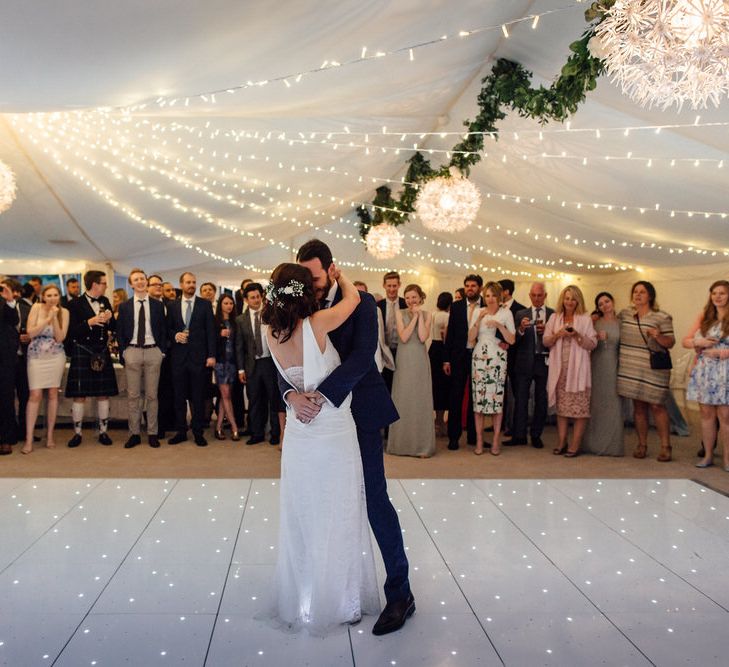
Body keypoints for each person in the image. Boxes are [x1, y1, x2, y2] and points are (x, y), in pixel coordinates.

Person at [282, 239, 413, 636]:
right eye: (307, 280)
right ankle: (334, 592)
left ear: (332, 269)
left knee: (373, 500)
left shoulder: (364, 302)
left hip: (357, 415)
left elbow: (361, 356)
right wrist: (290, 394)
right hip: (318, 426)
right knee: (324, 505)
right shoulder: (299, 303)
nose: (313, 287)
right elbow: (284, 356)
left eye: (317, 279)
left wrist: (322, 396)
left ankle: (400, 594)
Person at [263, 261, 379, 634]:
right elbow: (356, 299)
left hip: (298, 433)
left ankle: (306, 597)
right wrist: (340, 275)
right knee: (339, 511)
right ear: (306, 291)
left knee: (303, 515)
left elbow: (282, 377)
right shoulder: (318, 323)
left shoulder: (268, 331)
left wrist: (292, 396)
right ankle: (343, 603)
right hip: (331, 430)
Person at [617, 280, 675, 462]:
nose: (638, 295)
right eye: (635, 292)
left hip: (654, 368)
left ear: (650, 295)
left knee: (657, 405)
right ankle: (642, 444)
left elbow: (670, 343)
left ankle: (666, 446)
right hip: (631, 367)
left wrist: (658, 336)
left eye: (642, 292)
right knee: (639, 407)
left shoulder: (662, 317)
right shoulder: (625, 314)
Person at [65, 270, 118, 447]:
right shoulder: (75, 304)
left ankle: (104, 432)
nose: (106, 286)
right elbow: (71, 332)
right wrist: (90, 322)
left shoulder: (105, 301)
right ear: (94, 284)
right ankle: (77, 433)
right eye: (104, 283)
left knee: (103, 394)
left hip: (101, 350)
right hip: (82, 350)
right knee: (80, 395)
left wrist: (110, 320)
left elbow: (113, 327)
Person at [116, 268, 168, 449]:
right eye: (136, 279)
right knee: (133, 396)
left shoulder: (158, 305)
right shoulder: (124, 306)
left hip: (153, 351)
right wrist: (124, 352)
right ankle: (134, 433)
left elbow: (163, 329)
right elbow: (120, 332)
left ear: (146, 282)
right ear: (131, 284)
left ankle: (152, 433)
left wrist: (161, 351)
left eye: (142, 279)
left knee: (153, 396)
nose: (140, 281)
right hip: (133, 351)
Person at [543, 285, 597, 457]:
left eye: (573, 299)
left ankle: (575, 444)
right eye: (567, 298)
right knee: (562, 408)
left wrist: (577, 335)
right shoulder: (554, 317)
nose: (569, 302)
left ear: (578, 301)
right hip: (560, 369)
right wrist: (558, 334)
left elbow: (592, 344)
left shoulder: (585, 319)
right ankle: (561, 441)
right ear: (562, 299)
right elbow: (546, 341)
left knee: (579, 408)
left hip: (578, 370)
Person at [166, 272, 216, 447]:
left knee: (198, 397)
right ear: (181, 284)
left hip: (199, 358)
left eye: (194, 282)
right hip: (178, 358)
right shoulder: (172, 306)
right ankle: (181, 431)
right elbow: (167, 329)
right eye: (188, 282)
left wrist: (211, 355)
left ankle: (198, 432)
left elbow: (210, 331)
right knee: (179, 397)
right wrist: (175, 335)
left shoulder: (204, 305)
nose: (192, 285)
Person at [683, 280, 729, 469]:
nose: (717, 297)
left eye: (722, 293)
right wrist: (699, 343)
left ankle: (727, 458)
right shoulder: (705, 316)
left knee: (725, 416)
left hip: (725, 370)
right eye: (714, 293)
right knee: (706, 414)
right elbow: (685, 341)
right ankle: (708, 455)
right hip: (704, 370)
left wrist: (722, 353)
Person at [387, 284, 435, 458]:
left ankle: (422, 446)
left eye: (413, 297)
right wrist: (414, 318)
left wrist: (420, 316)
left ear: (420, 298)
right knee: (403, 399)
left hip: (420, 361)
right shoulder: (399, 313)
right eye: (407, 297)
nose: (410, 300)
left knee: (419, 400)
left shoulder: (429, 315)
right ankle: (400, 445)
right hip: (404, 359)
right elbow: (404, 336)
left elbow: (422, 337)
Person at [21, 284, 69, 454]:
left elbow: (61, 337)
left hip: (56, 356)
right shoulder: (35, 307)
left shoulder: (64, 312)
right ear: (43, 297)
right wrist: (47, 318)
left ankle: (49, 435)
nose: (52, 298)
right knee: (35, 395)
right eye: (49, 295)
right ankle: (28, 439)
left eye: (55, 295)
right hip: (36, 356)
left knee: (53, 393)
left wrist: (55, 317)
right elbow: (31, 332)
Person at [469, 282, 515, 455]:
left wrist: (499, 326)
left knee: (496, 400)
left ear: (499, 296)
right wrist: (479, 319)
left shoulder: (506, 313)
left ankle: (496, 440)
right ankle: (480, 441)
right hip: (479, 357)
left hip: (497, 358)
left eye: (493, 295)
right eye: (487, 295)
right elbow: (471, 338)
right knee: (479, 402)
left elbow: (511, 340)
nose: (490, 299)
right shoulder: (477, 311)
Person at [506, 282, 554, 448]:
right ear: (529, 296)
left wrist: (547, 331)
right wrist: (520, 329)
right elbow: (513, 340)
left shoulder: (553, 315)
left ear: (545, 295)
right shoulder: (520, 313)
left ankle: (536, 434)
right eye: (533, 295)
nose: (536, 298)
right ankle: (519, 435)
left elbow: (556, 339)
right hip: (524, 362)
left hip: (544, 361)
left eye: (539, 295)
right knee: (521, 399)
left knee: (541, 400)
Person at [235, 283, 282, 445]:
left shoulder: (271, 314)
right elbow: (239, 347)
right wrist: (241, 369)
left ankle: (275, 433)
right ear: (246, 300)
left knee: (273, 399)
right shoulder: (240, 320)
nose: (256, 300)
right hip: (251, 365)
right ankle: (257, 433)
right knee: (254, 400)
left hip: (270, 362)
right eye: (252, 298)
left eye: (258, 296)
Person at [443, 275, 484, 450]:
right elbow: (450, 333)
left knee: (476, 397)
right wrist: (446, 359)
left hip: (481, 357)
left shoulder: (487, 305)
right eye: (467, 285)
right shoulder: (457, 306)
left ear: (480, 288)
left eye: (473, 286)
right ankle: (454, 437)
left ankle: (474, 437)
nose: (469, 289)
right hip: (459, 357)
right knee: (456, 397)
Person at [583, 292, 624, 456]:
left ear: (612, 301)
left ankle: (613, 445)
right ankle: (593, 443)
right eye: (600, 304)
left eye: (607, 301)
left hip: (614, 364)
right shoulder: (595, 322)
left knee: (613, 403)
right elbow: (586, 342)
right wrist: (595, 337)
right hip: (597, 364)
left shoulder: (621, 323)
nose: (604, 305)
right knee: (597, 403)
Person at [498, 278, 526, 436]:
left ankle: (515, 426)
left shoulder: (520, 310)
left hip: (515, 358)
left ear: (506, 292)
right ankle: (500, 423)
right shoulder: (494, 309)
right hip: (497, 357)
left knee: (516, 393)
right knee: (499, 392)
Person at [213, 294, 240, 440]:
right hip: (220, 363)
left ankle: (218, 428)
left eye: (231, 303)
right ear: (220, 305)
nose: (229, 306)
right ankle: (234, 427)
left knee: (225, 396)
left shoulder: (235, 322)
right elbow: (210, 341)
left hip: (232, 363)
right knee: (226, 395)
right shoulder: (215, 321)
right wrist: (219, 334)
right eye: (226, 303)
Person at [377, 271, 406, 395]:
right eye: (389, 286)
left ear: (399, 285)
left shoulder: (406, 304)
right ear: (384, 286)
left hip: (402, 350)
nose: (392, 289)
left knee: (401, 384)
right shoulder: (378, 305)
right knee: (386, 384)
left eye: (394, 286)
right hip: (384, 351)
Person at [0, 279, 20, 455]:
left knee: (6, 397)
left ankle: (6, 439)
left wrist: (9, 301)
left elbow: (14, 320)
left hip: (4, 357)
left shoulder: (4, 300)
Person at [430, 291, 452, 436]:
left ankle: (436, 421)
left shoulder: (432, 314)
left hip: (432, 350)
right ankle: (440, 420)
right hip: (442, 351)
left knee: (434, 386)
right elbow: (446, 338)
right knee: (443, 387)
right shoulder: (447, 316)